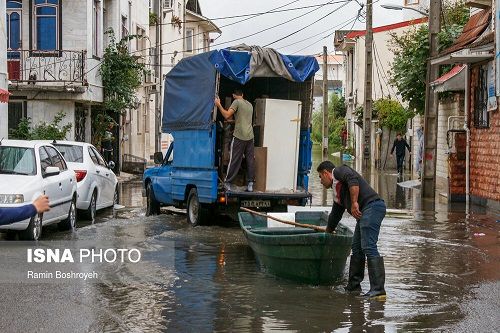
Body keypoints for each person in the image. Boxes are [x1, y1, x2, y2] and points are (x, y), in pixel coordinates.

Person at [317, 161, 387, 300]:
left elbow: (352, 179)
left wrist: (354, 202)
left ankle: (378, 290)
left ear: (326, 173)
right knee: (356, 247)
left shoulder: (339, 171)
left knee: (368, 246)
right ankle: (354, 287)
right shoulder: (337, 192)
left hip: (372, 207)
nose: (320, 181)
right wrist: (328, 233)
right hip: (365, 212)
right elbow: (335, 215)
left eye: (320, 177)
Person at [214, 88, 255, 192]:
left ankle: (228, 182)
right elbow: (243, 119)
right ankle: (250, 184)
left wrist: (218, 104)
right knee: (250, 160)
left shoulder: (236, 102)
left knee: (235, 159)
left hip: (240, 136)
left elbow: (227, 115)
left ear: (233, 95)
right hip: (250, 136)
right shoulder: (249, 104)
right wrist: (235, 121)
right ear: (242, 94)